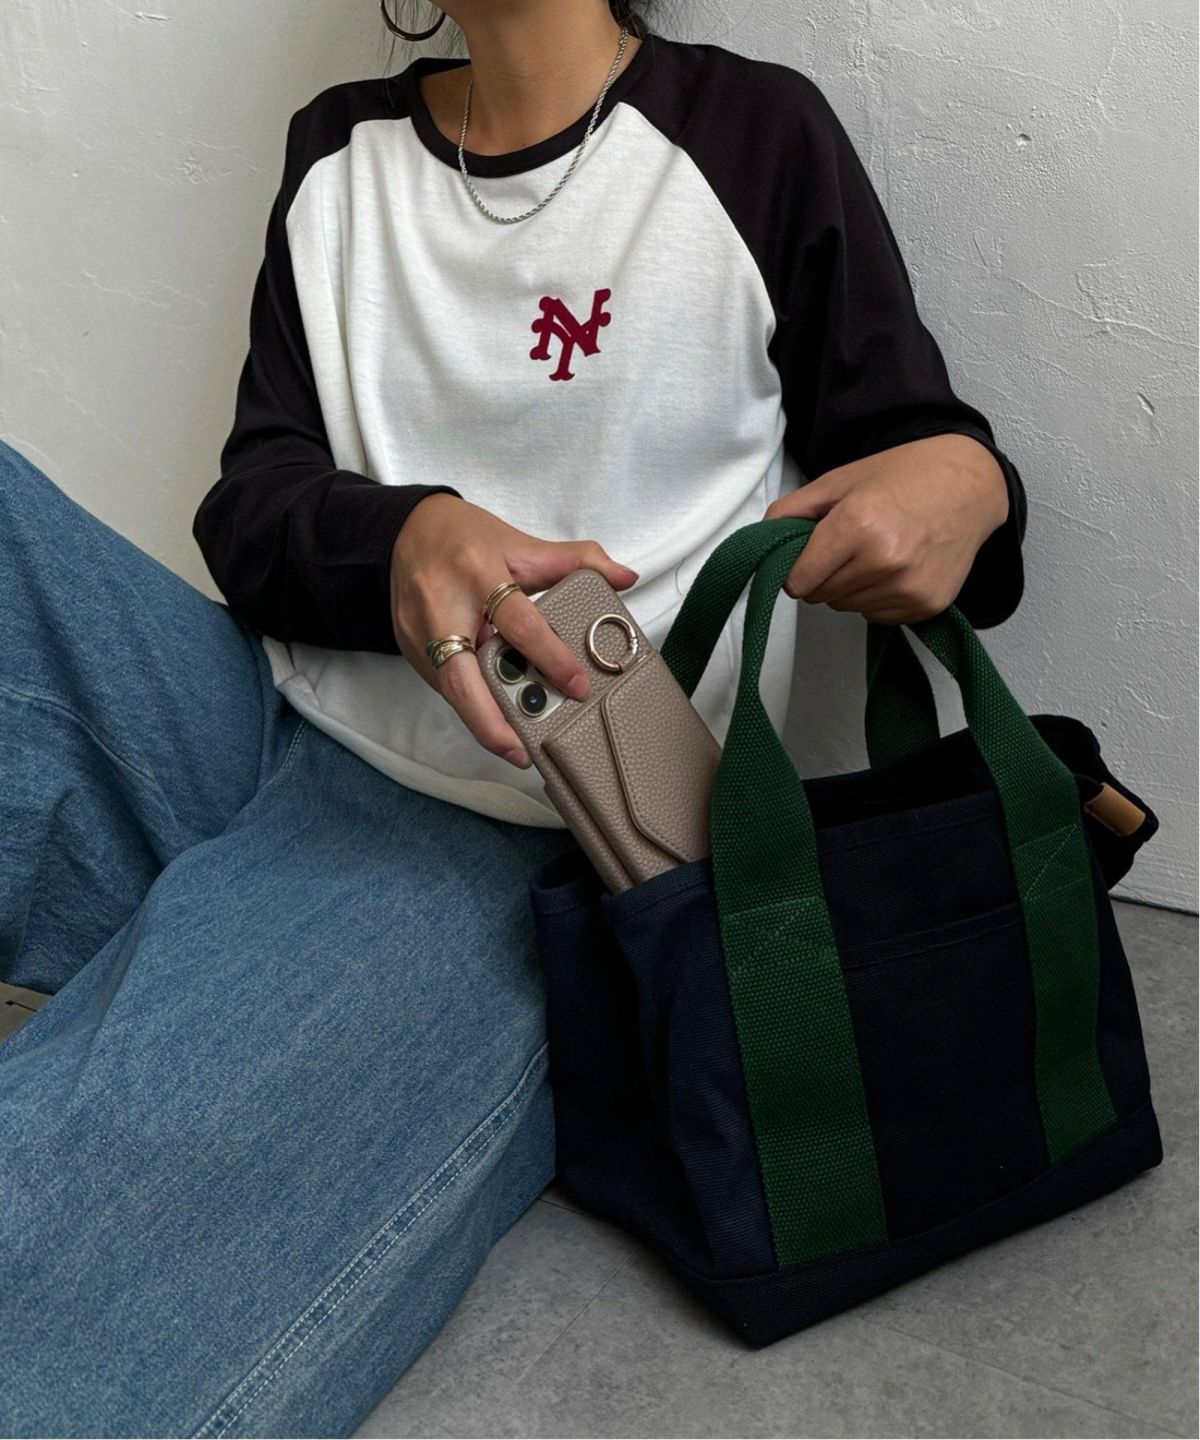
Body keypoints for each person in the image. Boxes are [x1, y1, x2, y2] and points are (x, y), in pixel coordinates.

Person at [0, 1, 1026, 1434]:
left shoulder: (753, 137)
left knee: (90, 1157)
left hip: (540, 846)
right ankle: (249, 946)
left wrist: (973, 483)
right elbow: (252, 510)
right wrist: (406, 537)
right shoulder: (337, 154)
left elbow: (918, 475)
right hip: (269, 722)